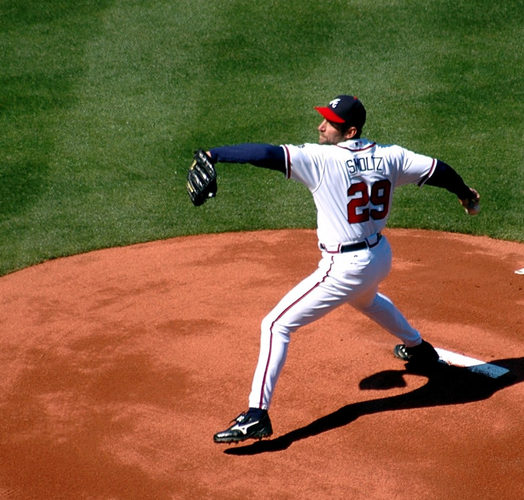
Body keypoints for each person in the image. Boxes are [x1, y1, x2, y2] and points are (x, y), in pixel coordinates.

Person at [206, 95, 481, 444]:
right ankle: (418, 349)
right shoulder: (391, 156)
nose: (321, 126)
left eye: (330, 123)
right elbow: (437, 170)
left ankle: (256, 415)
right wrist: (464, 194)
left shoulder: (321, 159)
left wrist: (215, 154)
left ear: (349, 131)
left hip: (344, 267)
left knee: (275, 324)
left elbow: (267, 154)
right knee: (367, 301)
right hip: (379, 256)